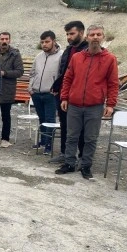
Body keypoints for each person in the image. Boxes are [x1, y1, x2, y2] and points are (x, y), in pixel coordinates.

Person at [55, 24, 118, 179]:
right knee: (71, 136)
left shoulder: (110, 59)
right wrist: (64, 97)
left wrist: (110, 104)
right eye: (92, 35)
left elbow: (113, 83)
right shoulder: (77, 58)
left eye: (98, 34)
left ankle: (86, 166)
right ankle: (69, 163)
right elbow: (68, 78)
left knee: (90, 138)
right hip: (74, 104)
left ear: (103, 37)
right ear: (87, 37)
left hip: (94, 106)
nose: (95, 37)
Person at [49, 21, 88, 164]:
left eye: (72, 33)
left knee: (81, 128)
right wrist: (57, 87)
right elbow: (64, 72)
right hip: (64, 95)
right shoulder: (68, 50)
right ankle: (65, 154)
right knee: (64, 125)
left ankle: (82, 157)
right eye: (67, 34)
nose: (69, 37)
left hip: (79, 96)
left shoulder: (88, 51)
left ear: (81, 33)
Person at [28, 30, 63, 155]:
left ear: (54, 41)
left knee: (50, 119)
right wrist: (31, 87)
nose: (44, 44)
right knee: (42, 119)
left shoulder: (61, 56)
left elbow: (62, 75)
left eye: (47, 42)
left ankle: (49, 145)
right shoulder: (39, 56)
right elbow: (32, 73)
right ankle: (42, 141)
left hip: (51, 94)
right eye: (42, 42)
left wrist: (57, 90)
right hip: (37, 93)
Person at [0, 32, 24, 148]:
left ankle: (5, 138)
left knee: (6, 115)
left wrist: (5, 73)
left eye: (6, 39)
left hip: (7, 88)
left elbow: (19, 71)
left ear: (10, 40)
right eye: (2, 39)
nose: (4, 41)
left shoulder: (15, 54)